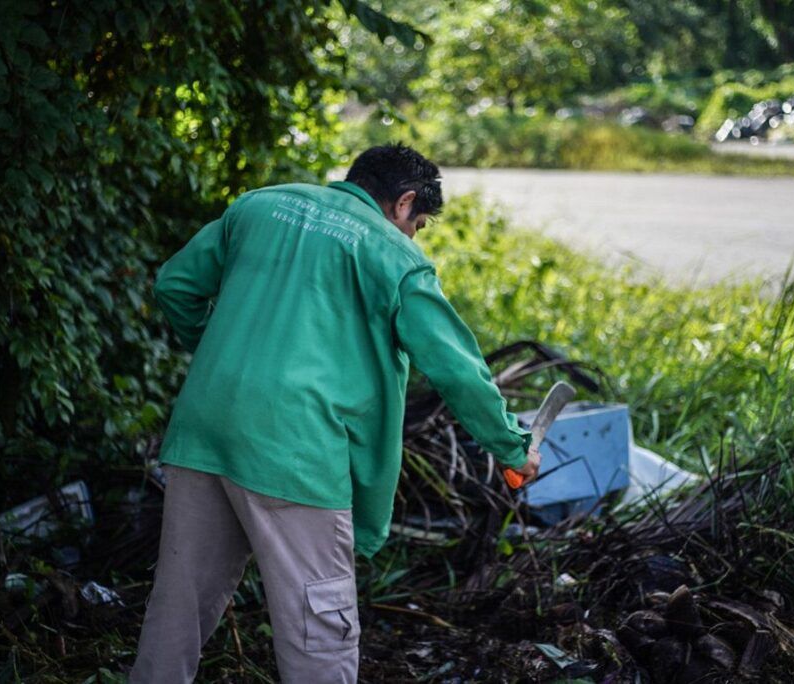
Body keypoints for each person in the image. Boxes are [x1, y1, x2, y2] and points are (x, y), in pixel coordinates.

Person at [129, 143, 541, 683]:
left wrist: (217, 351)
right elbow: (457, 369)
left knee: (178, 608)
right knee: (318, 627)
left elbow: (175, 285)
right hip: (296, 455)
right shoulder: (396, 258)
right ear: (404, 204)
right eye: (418, 223)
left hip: (203, 431)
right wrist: (513, 445)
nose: (413, 235)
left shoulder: (259, 206)